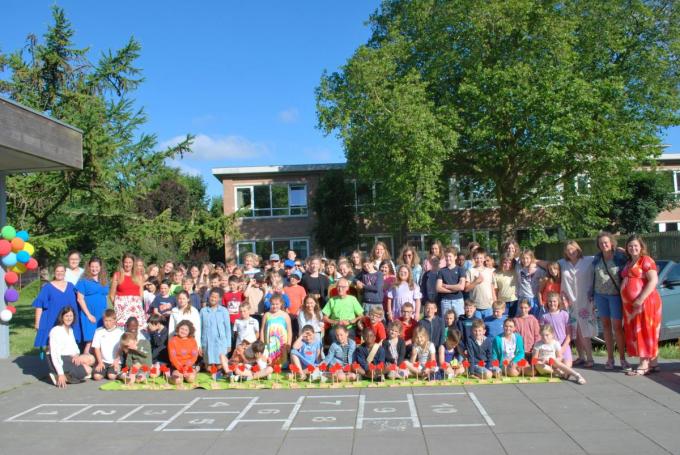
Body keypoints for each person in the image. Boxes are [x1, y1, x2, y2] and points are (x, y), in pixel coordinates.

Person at [621, 234, 663, 376]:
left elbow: (653, 280)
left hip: (645, 302)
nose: (633, 248)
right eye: (630, 246)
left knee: (644, 330)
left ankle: (644, 364)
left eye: (635, 246)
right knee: (644, 330)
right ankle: (653, 363)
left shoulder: (646, 260)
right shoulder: (629, 262)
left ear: (641, 247)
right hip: (632, 306)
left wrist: (640, 299)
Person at [593, 231, 629, 370]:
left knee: (618, 328)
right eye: (601, 243)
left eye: (606, 242)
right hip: (600, 295)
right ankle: (610, 358)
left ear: (611, 243)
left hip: (615, 296)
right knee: (606, 328)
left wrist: (625, 251)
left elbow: (633, 262)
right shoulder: (597, 258)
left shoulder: (620, 257)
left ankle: (622, 358)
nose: (604, 245)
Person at [559, 241, 596, 368]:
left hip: (585, 301)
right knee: (574, 330)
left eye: (573, 249)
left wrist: (619, 250)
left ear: (578, 249)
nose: (570, 252)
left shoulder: (588, 260)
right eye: (568, 250)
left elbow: (605, 256)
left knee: (583, 330)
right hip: (569, 302)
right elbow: (548, 265)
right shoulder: (563, 263)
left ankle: (590, 357)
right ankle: (581, 356)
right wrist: (534, 261)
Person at [34, 264, 81, 349]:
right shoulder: (47, 287)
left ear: (65, 272)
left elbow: (80, 300)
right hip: (52, 320)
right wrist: (37, 323)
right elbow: (39, 305)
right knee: (51, 344)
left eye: (62, 271)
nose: (60, 273)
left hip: (69, 320)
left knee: (69, 344)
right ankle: (51, 361)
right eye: (57, 271)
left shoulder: (71, 286)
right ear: (54, 273)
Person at [48, 307, 94, 387]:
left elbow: (74, 347)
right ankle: (60, 376)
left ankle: (70, 373)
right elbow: (55, 354)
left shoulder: (70, 329)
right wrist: (60, 373)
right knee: (88, 370)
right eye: (66, 316)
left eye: (71, 316)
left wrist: (76, 355)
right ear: (62, 317)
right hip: (58, 358)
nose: (69, 318)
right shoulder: (55, 331)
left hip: (69, 356)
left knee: (91, 359)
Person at [78, 258, 112, 351]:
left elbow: (105, 297)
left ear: (100, 267)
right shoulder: (83, 281)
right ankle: (86, 359)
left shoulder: (104, 280)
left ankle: (100, 360)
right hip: (89, 313)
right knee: (90, 339)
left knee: (101, 336)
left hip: (101, 313)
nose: (94, 269)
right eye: (92, 266)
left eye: (96, 266)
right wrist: (88, 315)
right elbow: (80, 299)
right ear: (88, 267)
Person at [110, 253, 146, 329]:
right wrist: (118, 306)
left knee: (136, 331)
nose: (128, 264)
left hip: (136, 309)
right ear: (123, 263)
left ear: (133, 264)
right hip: (121, 310)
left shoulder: (139, 275)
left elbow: (141, 294)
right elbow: (111, 295)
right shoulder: (117, 275)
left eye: (130, 262)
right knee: (122, 331)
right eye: (126, 262)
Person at [322, 277, 364, 342]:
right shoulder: (332, 300)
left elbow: (361, 315)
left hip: (349, 328)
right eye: (338, 286)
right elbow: (324, 318)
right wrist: (336, 322)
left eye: (343, 287)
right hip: (336, 328)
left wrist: (350, 321)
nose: (340, 289)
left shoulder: (352, 299)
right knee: (332, 334)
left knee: (350, 341)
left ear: (347, 288)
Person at [200, 288, 231, 375]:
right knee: (208, 367)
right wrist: (199, 345)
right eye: (212, 296)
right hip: (207, 341)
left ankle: (219, 376)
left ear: (219, 299)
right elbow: (200, 328)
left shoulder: (224, 311)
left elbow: (228, 329)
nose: (213, 299)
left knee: (220, 365)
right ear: (209, 297)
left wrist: (228, 344)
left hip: (220, 342)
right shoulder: (203, 311)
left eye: (216, 297)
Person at [541, 292, 573, 367]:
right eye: (550, 301)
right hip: (551, 346)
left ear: (558, 302)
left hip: (563, 345)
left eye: (554, 301)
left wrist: (563, 348)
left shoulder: (565, 314)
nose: (552, 303)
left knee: (567, 368)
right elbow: (542, 334)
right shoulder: (544, 317)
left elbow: (569, 335)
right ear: (547, 303)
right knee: (554, 366)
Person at [260, 294, 292, 368]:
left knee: (281, 365)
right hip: (269, 343)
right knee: (269, 363)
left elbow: (289, 331)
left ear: (281, 304)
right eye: (272, 304)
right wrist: (262, 341)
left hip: (282, 344)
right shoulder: (267, 315)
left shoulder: (285, 315)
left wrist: (289, 343)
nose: (274, 306)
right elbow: (262, 329)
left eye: (277, 304)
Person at [91, 309, 122, 381]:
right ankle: (103, 372)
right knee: (97, 377)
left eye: (110, 321)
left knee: (111, 376)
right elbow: (97, 348)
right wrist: (100, 362)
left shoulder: (120, 331)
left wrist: (116, 361)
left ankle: (113, 372)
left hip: (115, 361)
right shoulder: (99, 331)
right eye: (106, 321)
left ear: (114, 320)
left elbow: (121, 348)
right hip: (103, 361)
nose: (108, 323)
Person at [465, 248, 497, 319]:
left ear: (484, 258)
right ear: (473, 258)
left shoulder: (489, 271)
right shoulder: (470, 271)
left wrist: (495, 303)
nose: (479, 260)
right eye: (476, 258)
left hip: (488, 306)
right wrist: (476, 282)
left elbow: (492, 289)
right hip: (475, 307)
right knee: (477, 327)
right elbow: (466, 289)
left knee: (488, 327)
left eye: (480, 258)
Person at [436, 247, 467, 317]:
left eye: (450, 256)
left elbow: (461, 287)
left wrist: (446, 286)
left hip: (458, 300)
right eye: (446, 256)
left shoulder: (460, 270)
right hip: (445, 301)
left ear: (455, 257)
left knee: (459, 321)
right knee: (446, 323)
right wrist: (453, 290)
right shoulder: (441, 271)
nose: (448, 258)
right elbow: (438, 288)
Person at [168, 320, 199, 385]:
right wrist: (181, 369)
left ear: (189, 332)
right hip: (177, 367)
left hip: (189, 366)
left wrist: (186, 368)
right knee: (177, 381)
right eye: (182, 328)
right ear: (178, 328)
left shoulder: (193, 341)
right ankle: (169, 377)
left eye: (186, 330)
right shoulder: (172, 341)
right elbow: (172, 358)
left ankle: (193, 372)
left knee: (191, 379)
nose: (183, 331)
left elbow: (194, 357)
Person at [516, 249, 545, 316]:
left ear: (531, 258)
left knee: (534, 318)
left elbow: (547, 275)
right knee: (522, 318)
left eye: (527, 258)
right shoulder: (518, 267)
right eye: (523, 258)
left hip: (534, 298)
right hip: (522, 298)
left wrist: (534, 264)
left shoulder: (538, 269)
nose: (525, 260)